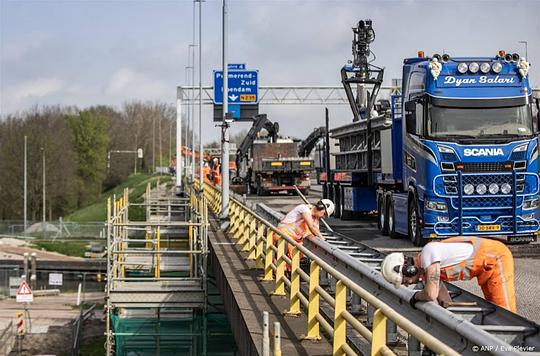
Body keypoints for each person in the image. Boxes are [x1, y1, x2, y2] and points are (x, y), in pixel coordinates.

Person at [381, 236, 516, 312]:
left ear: (409, 270)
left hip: (496, 258)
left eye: (405, 280)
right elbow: (443, 298)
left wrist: (415, 297)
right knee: (495, 310)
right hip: (486, 268)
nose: (407, 284)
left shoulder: (428, 254)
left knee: (506, 313)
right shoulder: (427, 268)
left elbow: (430, 293)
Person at [275, 199, 335, 271]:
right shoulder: (304, 209)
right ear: (320, 207)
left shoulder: (315, 220)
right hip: (282, 236)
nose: (324, 217)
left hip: (295, 241)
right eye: (324, 214)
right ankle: (280, 273)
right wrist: (323, 239)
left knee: (296, 262)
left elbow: (314, 231)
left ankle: (287, 276)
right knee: (284, 262)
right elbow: (311, 227)